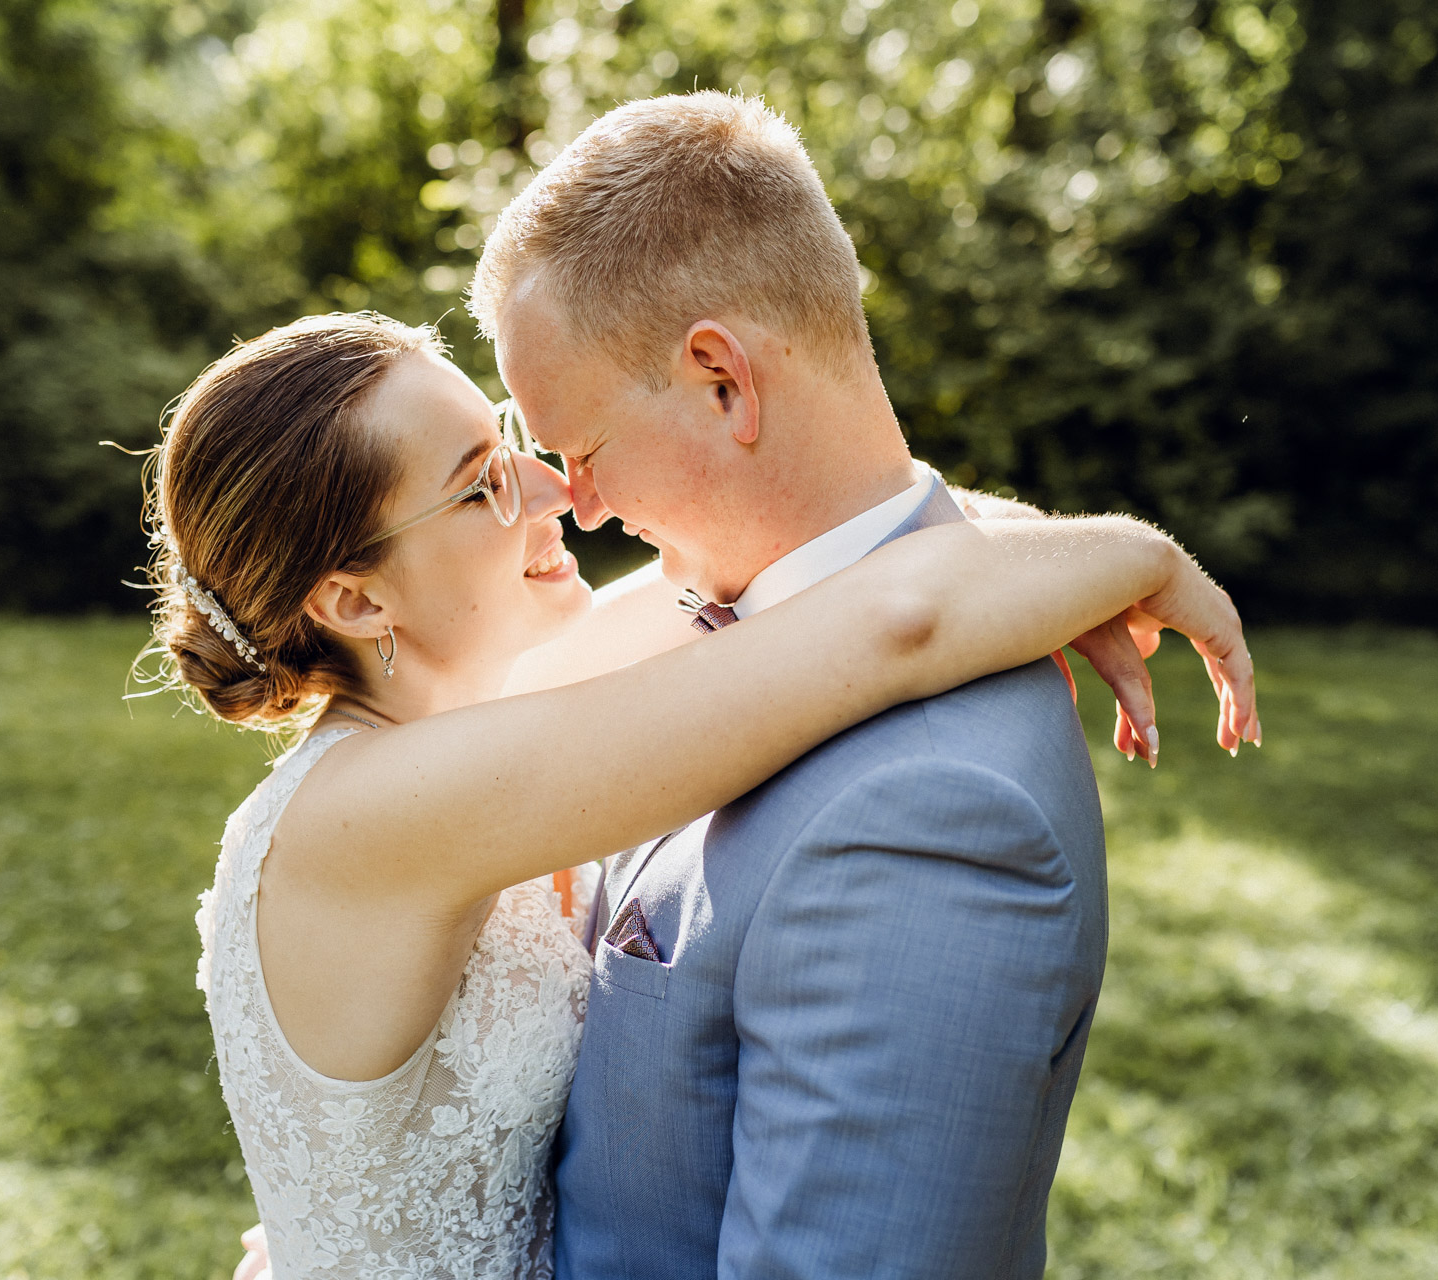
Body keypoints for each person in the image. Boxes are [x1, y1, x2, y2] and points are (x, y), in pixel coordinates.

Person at [155, 313, 1253, 1273]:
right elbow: (893, 624)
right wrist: (1145, 557)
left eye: (507, 439)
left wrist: (1047, 555)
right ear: (353, 598)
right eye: (483, 484)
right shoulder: (384, 809)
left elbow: (810, 562)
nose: (554, 491)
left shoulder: (464, 721)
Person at [456, 92, 1263, 1280]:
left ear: (722, 379)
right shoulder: (726, 611)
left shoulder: (931, 813)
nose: (573, 505)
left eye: (577, 452)